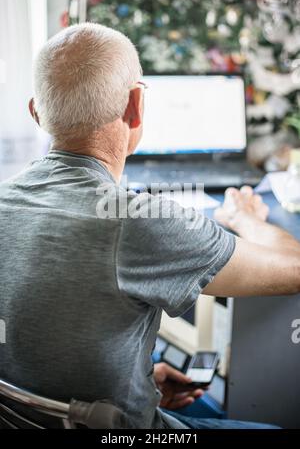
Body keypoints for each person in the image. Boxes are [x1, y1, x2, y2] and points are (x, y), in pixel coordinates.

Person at [0, 23, 299, 429]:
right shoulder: (138, 221)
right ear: (136, 104)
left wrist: (135, 383)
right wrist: (245, 218)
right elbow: (293, 270)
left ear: (36, 112)